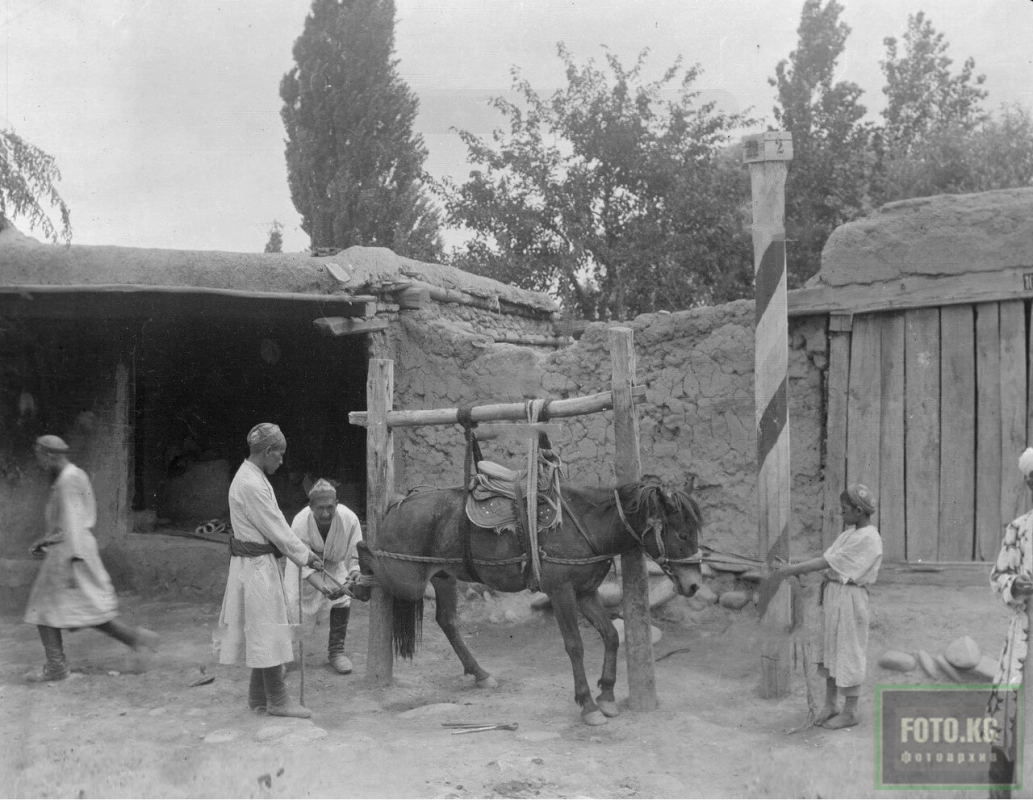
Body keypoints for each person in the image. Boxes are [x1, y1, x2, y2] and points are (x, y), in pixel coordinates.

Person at [23, 435, 158, 682]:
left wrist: (73, 564)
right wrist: (47, 541)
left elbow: (74, 521)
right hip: (70, 550)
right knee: (89, 610)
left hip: (71, 555)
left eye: (40, 456)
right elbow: (68, 522)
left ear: (49, 455)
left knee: (43, 609)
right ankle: (137, 639)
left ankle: (56, 667)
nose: (39, 462)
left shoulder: (68, 481)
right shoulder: (72, 476)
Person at [215, 423, 323, 719]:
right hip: (255, 568)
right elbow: (276, 528)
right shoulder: (250, 484)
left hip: (258, 564)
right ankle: (277, 700)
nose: (282, 461)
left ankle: (258, 696)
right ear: (267, 451)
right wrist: (306, 556)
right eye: (280, 454)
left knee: (263, 627)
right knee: (268, 629)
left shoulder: (252, 476)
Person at [765, 482, 882, 729]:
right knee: (830, 648)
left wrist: (789, 570)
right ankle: (831, 704)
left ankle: (850, 711)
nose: (841, 513)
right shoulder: (848, 534)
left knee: (849, 651)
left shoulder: (870, 539)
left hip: (851, 600)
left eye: (845, 509)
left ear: (858, 511)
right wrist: (791, 567)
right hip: (833, 596)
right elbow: (827, 560)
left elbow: (826, 563)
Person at [986, 448, 1033, 796]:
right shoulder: (1019, 529)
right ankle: (1001, 792)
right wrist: (1014, 585)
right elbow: (998, 575)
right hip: (1025, 633)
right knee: (1008, 712)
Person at [284, 479, 363, 674]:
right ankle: (282, 657)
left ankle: (336, 652)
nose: (326, 513)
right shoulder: (300, 522)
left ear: (337, 504)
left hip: (335, 563)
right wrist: (322, 586)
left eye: (330, 507)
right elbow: (302, 561)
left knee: (342, 600)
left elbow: (355, 555)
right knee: (292, 605)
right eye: (320, 508)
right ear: (311, 506)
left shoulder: (350, 519)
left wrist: (352, 577)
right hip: (303, 565)